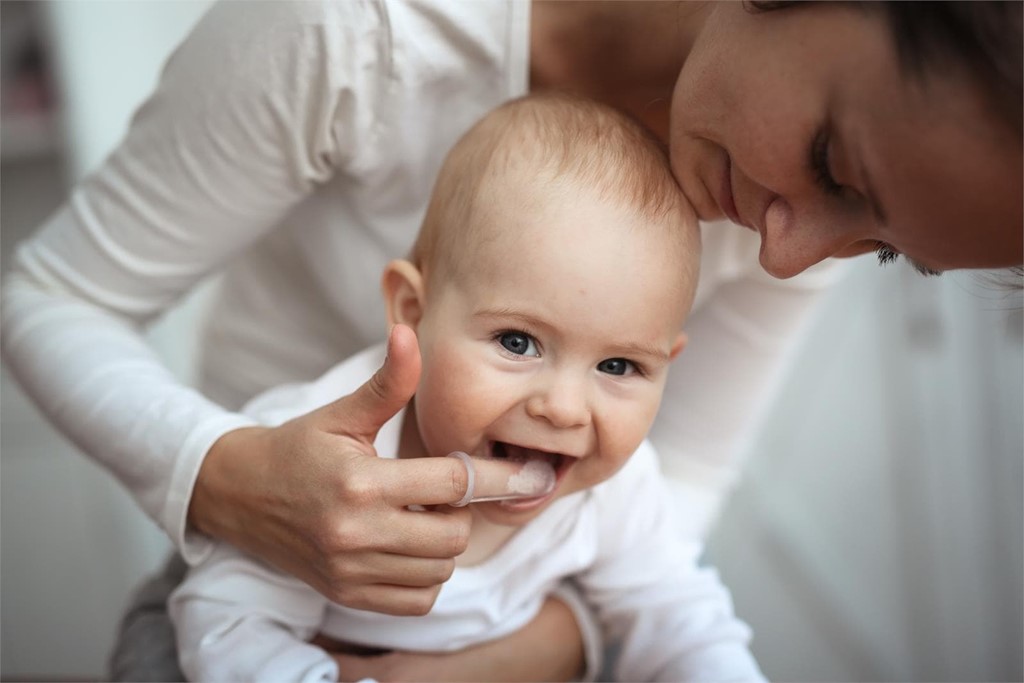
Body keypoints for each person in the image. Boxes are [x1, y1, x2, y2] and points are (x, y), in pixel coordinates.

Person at [0, 2, 1019, 680]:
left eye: (881, 248)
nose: (794, 258)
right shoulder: (355, 30)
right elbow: (52, 296)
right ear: (406, 308)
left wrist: (546, 645)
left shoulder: (607, 483)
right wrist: (223, 476)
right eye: (834, 163)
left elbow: (673, 553)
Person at [169, 92, 763, 683]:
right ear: (412, 311)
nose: (562, 409)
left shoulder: (616, 491)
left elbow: (681, 622)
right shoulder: (314, 462)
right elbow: (226, 629)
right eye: (517, 342)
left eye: (618, 367)